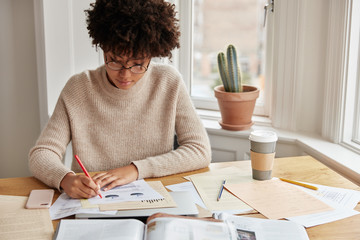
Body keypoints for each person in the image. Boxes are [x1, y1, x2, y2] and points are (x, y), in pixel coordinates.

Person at [29, 0, 211, 199]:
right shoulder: (79, 88)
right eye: (115, 61)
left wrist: (136, 169)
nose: (125, 75)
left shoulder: (168, 81)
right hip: (93, 201)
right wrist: (64, 178)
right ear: (103, 48)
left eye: (138, 64)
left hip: (153, 199)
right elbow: (42, 153)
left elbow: (199, 150)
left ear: (152, 55)